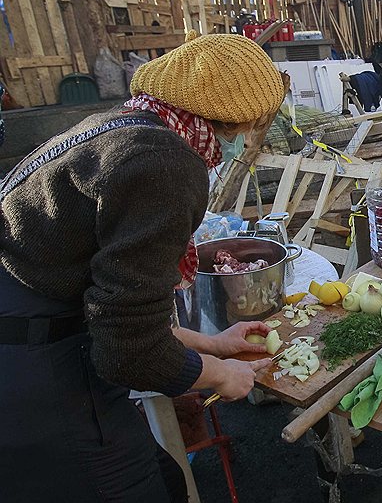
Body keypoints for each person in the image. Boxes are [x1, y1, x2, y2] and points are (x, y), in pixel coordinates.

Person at [0, 31, 282, 502]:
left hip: (41, 326)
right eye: (249, 126)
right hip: (34, 362)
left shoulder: (115, 128)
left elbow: (119, 306)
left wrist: (212, 343)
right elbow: (127, 348)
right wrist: (218, 373)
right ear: (230, 119)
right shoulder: (165, 162)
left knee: (167, 479)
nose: (248, 138)